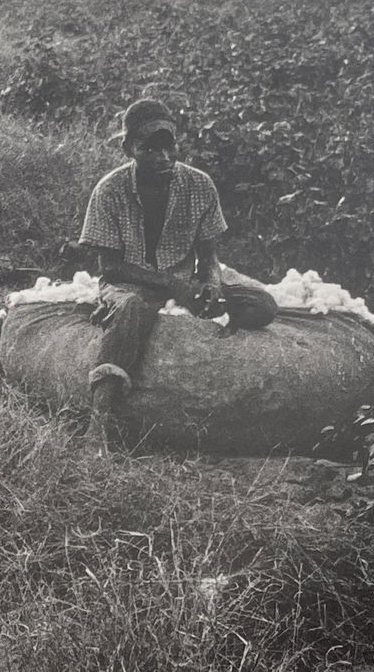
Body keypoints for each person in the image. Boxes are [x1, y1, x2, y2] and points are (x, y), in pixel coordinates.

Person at [77, 99, 278, 447]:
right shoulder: (109, 191)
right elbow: (109, 267)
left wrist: (212, 283)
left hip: (184, 280)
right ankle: (100, 420)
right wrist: (172, 285)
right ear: (129, 148)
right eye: (149, 148)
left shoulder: (199, 186)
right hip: (129, 284)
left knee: (262, 305)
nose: (162, 157)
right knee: (130, 309)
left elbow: (209, 254)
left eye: (167, 146)